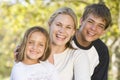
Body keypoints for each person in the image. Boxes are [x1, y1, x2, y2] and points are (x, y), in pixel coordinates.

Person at [48, 7, 90, 80]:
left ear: (73, 32)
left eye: (68, 27)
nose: (62, 31)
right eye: (58, 25)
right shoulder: (32, 51)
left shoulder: (77, 56)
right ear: (49, 25)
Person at [71, 3, 112, 80]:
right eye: (90, 21)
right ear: (81, 21)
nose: (93, 28)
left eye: (100, 26)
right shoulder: (65, 38)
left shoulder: (102, 51)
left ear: (104, 31)